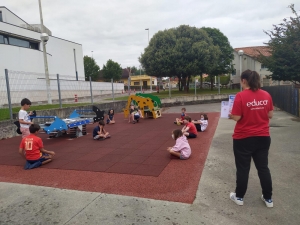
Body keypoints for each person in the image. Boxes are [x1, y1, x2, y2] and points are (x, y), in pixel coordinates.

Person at [228, 69, 274, 208]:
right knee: (263, 168)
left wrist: (230, 114)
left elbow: (237, 117)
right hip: (263, 137)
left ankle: (239, 197)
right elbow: (270, 115)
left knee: (243, 168)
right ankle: (268, 198)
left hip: (243, 138)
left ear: (243, 80)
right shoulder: (266, 95)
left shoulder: (241, 96)